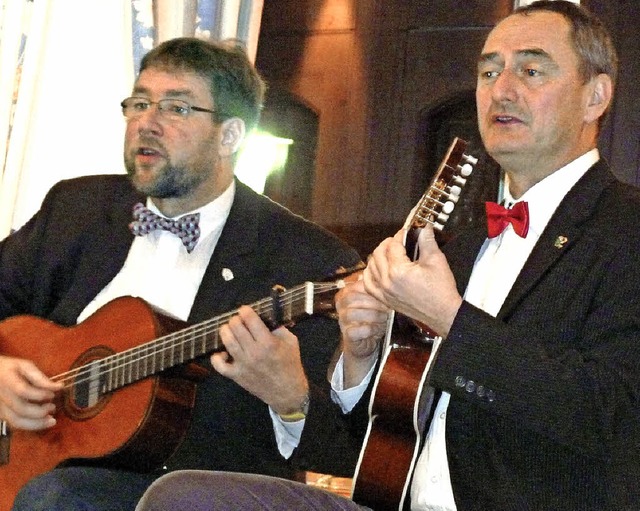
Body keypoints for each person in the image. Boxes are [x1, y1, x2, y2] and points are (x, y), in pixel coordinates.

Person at [134, 2, 640, 510]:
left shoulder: (624, 231)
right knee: (185, 497)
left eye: (531, 71)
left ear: (595, 96)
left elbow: (614, 417)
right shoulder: (458, 246)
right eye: (489, 70)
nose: (500, 89)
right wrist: (359, 358)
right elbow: (367, 443)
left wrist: (448, 317)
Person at [0, 37, 363, 511]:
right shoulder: (77, 208)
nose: (146, 123)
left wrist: (291, 399)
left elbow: (345, 450)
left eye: (175, 108)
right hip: (33, 467)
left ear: (230, 135)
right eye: (140, 103)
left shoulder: (306, 261)